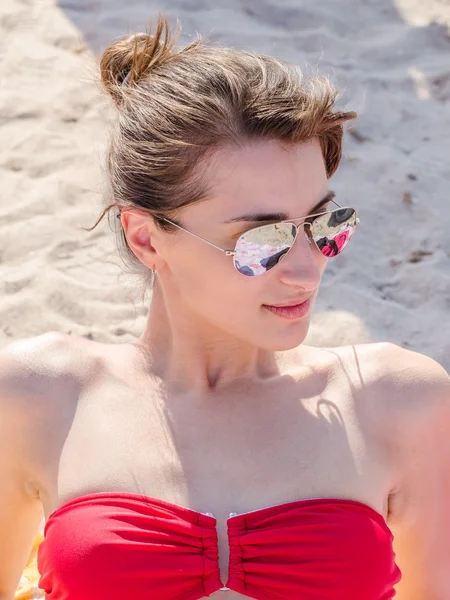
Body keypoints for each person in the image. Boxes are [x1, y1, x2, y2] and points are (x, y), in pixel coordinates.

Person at [1, 14, 449, 600]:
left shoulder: (402, 402)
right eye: (263, 240)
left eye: (324, 223)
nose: (308, 265)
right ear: (146, 238)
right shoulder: (37, 397)